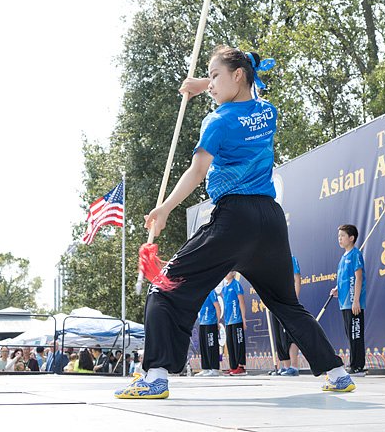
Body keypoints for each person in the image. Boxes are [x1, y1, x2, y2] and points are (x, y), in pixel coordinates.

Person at [114, 46, 352, 399]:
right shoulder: (267, 111)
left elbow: (197, 171)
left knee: (164, 289)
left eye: (214, 76)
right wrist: (204, 84)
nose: (210, 83)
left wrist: (164, 209)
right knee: (286, 305)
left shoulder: (218, 121)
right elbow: (246, 83)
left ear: (237, 75)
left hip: (234, 220)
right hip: (270, 221)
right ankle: (337, 372)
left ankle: (155, 376)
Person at [330, 224, 367, 376]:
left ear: (351, 238)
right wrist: (337, 290)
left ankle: (357, 366)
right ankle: (354, 364)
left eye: (343, 236)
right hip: (344, 303)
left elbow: (358, 278)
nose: (339, 238)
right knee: (350, 335)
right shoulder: (343, 257)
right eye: (338, 236)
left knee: (355, 334)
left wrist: (356, 300)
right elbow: (344, 279)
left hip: (353, 303)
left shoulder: (355, 255)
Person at [272, 256, 302, 376]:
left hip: (287, 303)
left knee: (289, 335)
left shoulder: (291, 258)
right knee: (279, 336)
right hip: (274, 303)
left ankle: (294, 367)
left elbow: (297, 279)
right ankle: (286, 366)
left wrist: (294, 300)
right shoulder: (271, 261)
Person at [220, 271, 248, 376]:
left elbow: (241, 302)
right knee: (230, 343)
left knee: (238, 343)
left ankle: (241, 367)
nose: (226, 274)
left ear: (233, 273)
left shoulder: (236, 284)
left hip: (237, 319)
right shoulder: (224, 288)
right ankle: (233, 366)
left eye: (228, 272)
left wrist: (243, 318)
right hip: (228, 321)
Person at [197, 288, 222, 376]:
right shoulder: (201, 291)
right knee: (204, 346)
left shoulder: (211, 291)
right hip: (202, 322)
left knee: (211, 346)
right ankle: (206, 368)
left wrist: (218, 322)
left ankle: (214, 369)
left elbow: (217, 307)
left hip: (211, 323)